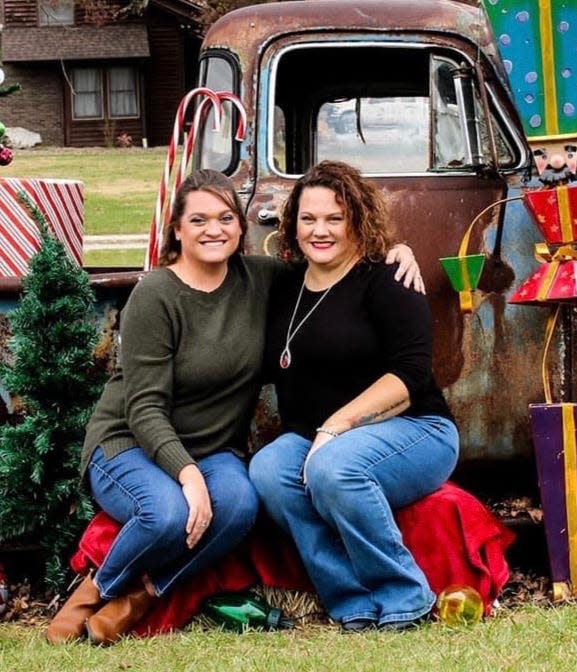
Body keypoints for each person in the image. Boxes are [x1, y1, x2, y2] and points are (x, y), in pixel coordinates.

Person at [46, 169, 421, 645]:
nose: (213, 229)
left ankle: (142, 594)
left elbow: (336, 261)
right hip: (131, 443)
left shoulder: (263, 280)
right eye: (198, 219)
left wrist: (394, 252)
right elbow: (144, 409)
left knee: (241, 505)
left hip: (215, 448)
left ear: (242, 228)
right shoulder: (155, 295)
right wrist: (188, 475)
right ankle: (94, 592)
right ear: (177, 229)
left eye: (226, 217)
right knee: (165, 515)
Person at [249, 160, 459, 632]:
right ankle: (351, 600)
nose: (319, 231)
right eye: (308, 219)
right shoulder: (284, 285)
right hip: (314, 436)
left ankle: (405, 596)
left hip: (414, 430)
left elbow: (409, 376)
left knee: (333, 468)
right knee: (267, 470)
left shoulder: (387, 278)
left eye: (334, 218)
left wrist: (335, 427)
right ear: (292, 224)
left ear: (357, 221)